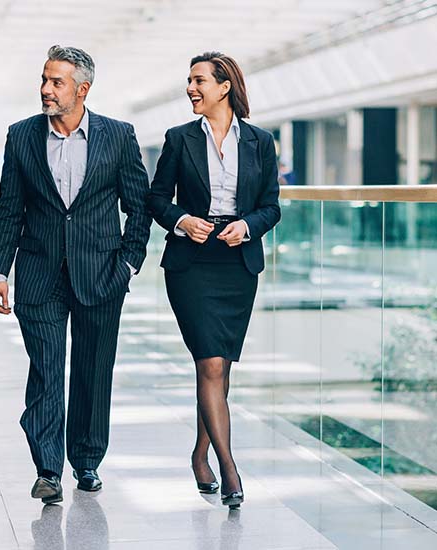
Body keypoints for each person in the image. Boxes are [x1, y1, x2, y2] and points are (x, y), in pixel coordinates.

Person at [0, 45, 151, 504]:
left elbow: (139, 207)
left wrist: (129, 263)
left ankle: (87, 460)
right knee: (45, 371)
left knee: (93, 371)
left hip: (102, 274)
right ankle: (47, 469)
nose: (45, 89)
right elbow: (8, 209)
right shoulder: (21, 136)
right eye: (44, 79)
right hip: (40, 275)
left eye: (56, 82)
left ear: (83, 89)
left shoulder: (118, 136)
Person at [147, 52, 281, 508]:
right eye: (189, 81)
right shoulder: (179, 138)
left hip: (237, 262)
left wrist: (248, 227)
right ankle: (229, 467)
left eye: (199, 80)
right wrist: (183, 220)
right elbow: (157, 198)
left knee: (220, 368)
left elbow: (271, 206)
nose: (191, 88)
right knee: (209, 364)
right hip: (192, 264)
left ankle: (200, 454)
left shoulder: (261, 141)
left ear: (225, 87)